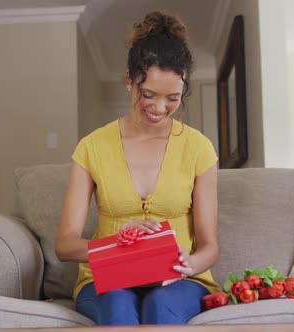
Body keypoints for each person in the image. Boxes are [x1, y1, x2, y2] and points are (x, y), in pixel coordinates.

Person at [55, 11, 220, 325]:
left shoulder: (198, 148)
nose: (160, 108)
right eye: (148, 95)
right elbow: (64, 244)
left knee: (159, 305)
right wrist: (116, 244)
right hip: (107, 279)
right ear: (129, 81)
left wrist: (191, 262)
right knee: (118, 304)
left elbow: (209, 246)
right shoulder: (91, 147)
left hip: (179, 282)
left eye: (173, 98)